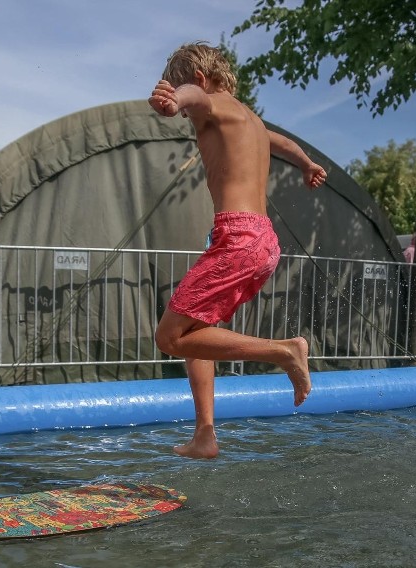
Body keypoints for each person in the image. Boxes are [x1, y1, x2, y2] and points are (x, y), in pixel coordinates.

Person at [148, 42, 327, 459]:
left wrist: (175, 101)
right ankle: (204, 436)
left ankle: (285, 350)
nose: (191, 117)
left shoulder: (207, 101)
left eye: (190, 97)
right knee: (196, 334)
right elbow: (280, 142)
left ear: (202, 80)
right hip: (262, 241)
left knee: (169, 336)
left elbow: (195, 97)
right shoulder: (251, 121)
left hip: (238, 237)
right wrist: (306, 163)